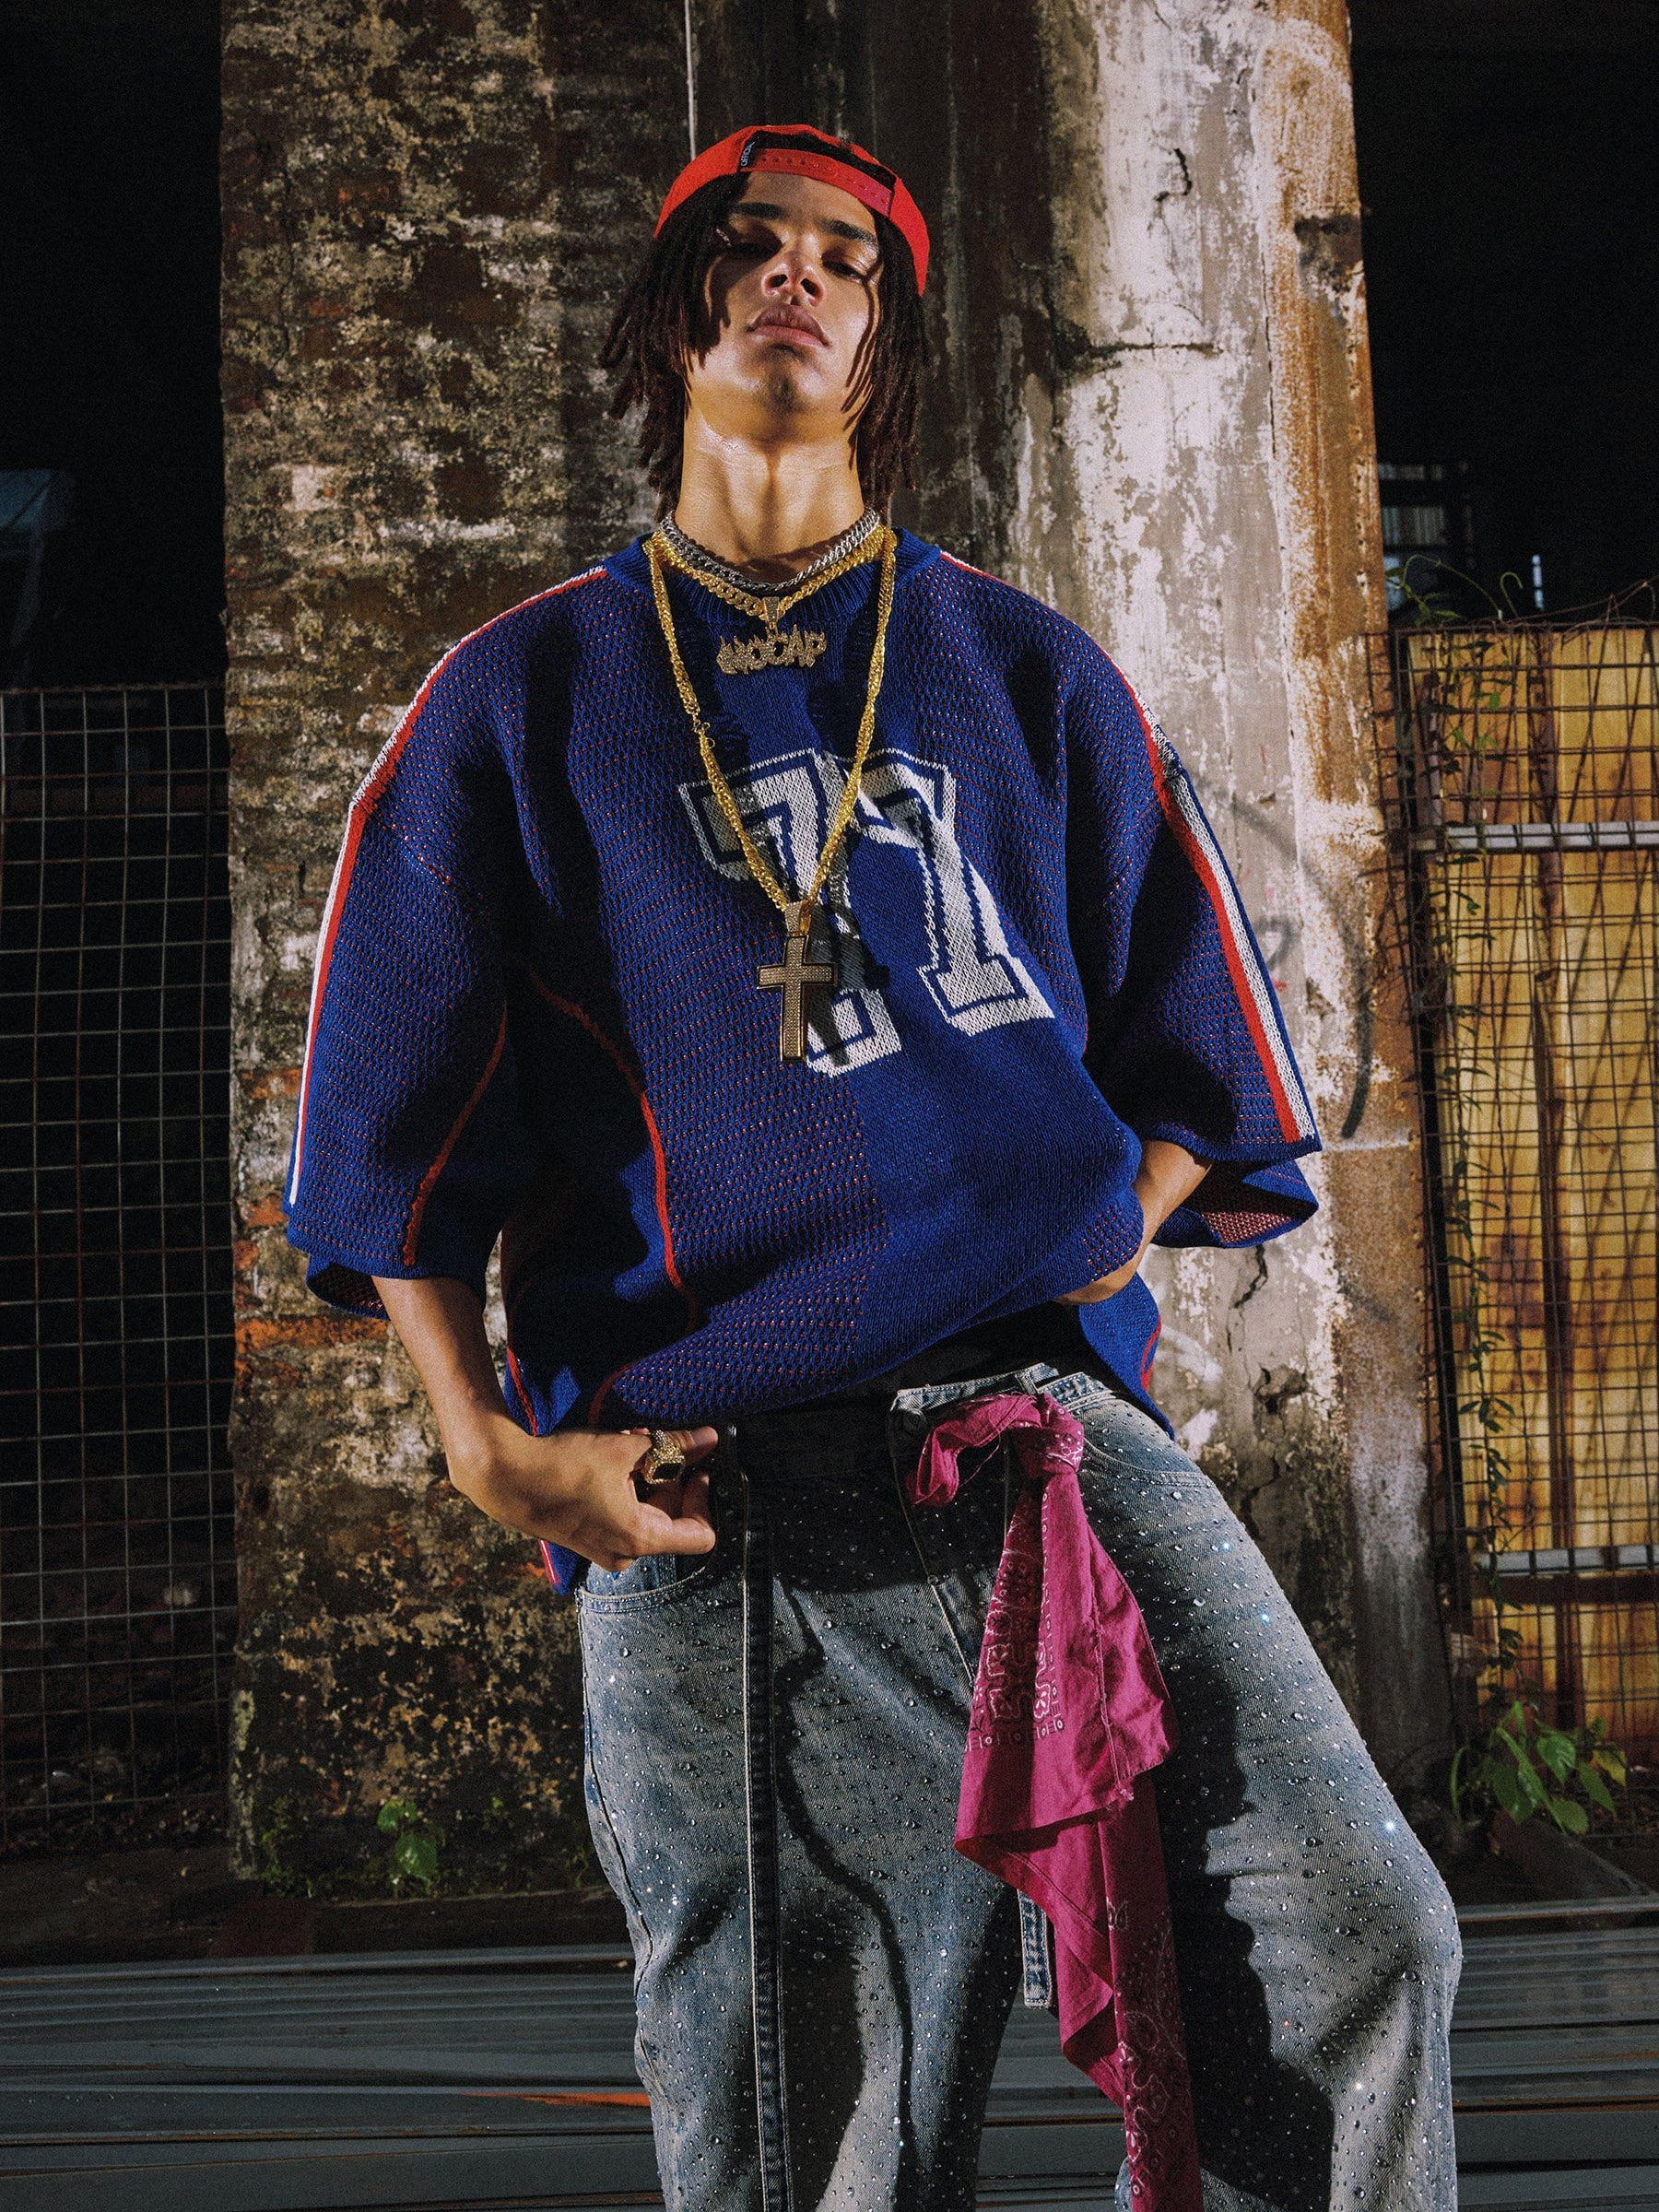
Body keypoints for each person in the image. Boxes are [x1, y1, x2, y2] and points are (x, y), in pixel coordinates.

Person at [284, 122, 1461, 2212]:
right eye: (750, 245)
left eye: (845, 258)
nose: (797, 278)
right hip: (718, 1497)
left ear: (886, 337)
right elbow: (389, 1128)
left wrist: (1101, 1224)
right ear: (672, 313)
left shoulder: (1023, 670)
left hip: (1050, 1452)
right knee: (820, 2149)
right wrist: (486, 1452)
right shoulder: (515, 700)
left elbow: (1208, 1058)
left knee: (1359, 1943)